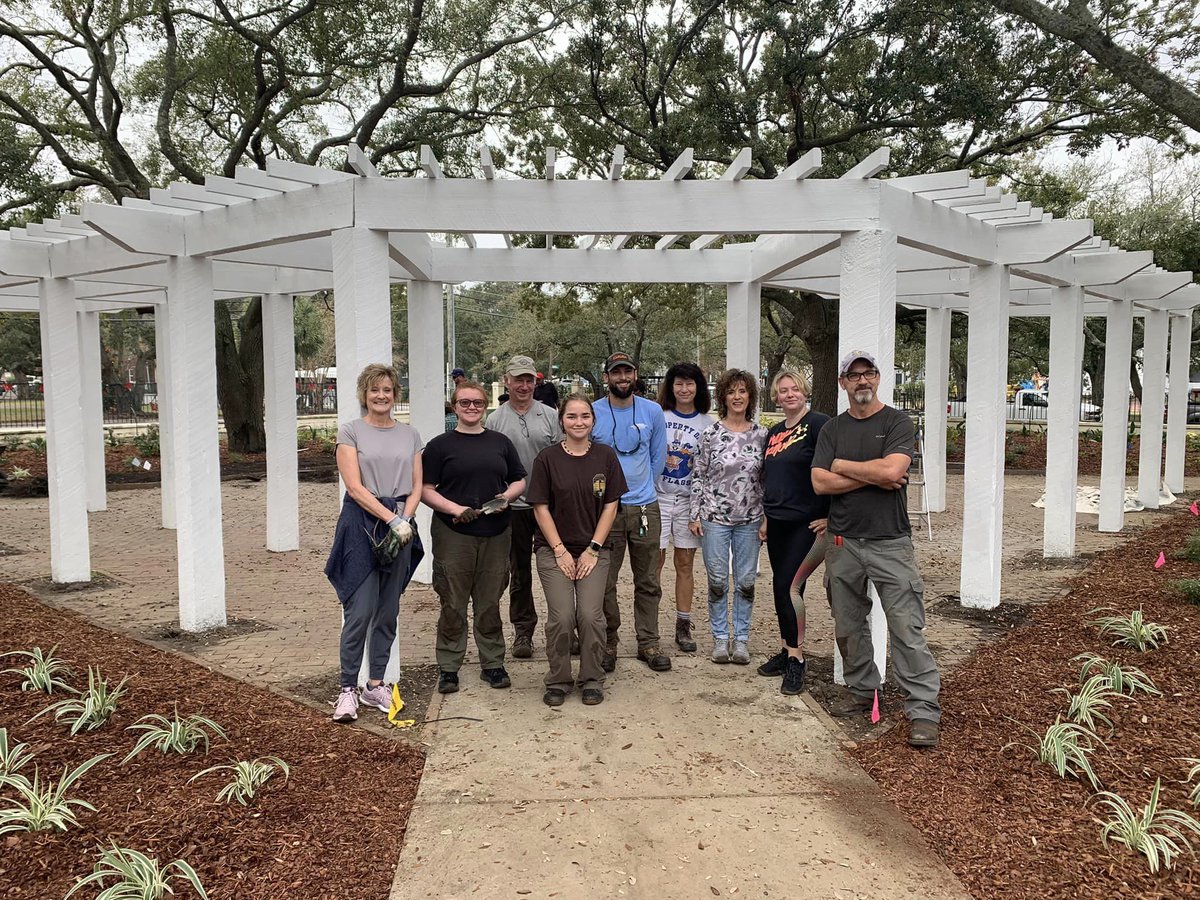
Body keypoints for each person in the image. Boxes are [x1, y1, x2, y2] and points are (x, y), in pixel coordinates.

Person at [812, 350, 941, 748]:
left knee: (906, 627)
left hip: (891, 543)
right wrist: (872, 475)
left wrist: (843, 467)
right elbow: (819, 482)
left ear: (879, 378)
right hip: (843, 542)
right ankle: (862, 692)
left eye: (869, 374)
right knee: (848, 624)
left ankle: (922, 709)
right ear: (843, 383)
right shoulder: (833, 429)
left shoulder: (898, 422)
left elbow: (893, 471)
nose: (862, 381)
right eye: (854, 376)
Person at [325, 363, 424, 724]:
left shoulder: (410, 434)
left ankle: (375, 684)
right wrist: (392, 519)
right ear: (363, 395)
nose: (381, 396)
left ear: (396, 394)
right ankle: (347, 689)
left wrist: (407, 518)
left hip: (401, 524)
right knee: (360, 611)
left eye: (387, 390)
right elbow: (354, 486)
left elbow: (416, 485)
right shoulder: (350, 432)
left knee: (387, 610)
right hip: (363, 524)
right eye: (374, 391)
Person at [421, 380, 527, 695]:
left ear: (485, 406)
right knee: (452, 602)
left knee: (489, 602)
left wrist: (506, 497)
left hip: (495, 532)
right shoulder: (440, 445)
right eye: (464, 403)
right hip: (454, 532)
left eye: (477, 403)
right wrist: (455, 508)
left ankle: (493, 663)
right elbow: (426, 489)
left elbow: (519, 479)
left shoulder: (500, 442)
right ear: (454, 407)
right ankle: (449, 666)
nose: (471, 408)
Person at [527, 394, 627, 706]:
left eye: (585, 416)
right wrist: (559, 551)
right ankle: (558, 679)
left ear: (593, 421)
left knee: (590, 616)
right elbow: (540, 508)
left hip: (594, 550)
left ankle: (592, 678)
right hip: (553, 549)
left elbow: (611, 506)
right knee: (562, 617)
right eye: (572, 416)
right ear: (562, 421)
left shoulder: (605, 456)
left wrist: (593, 549)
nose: (579, 422)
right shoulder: (547, 459)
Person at [592, 352, 670, 673]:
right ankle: (609, 640)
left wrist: (640, 490)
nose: (622, 378)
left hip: (644, 507)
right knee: (604, 580)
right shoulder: (594, 412)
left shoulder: (652, 412)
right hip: (606, 509)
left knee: (648, 578)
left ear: (635, 375)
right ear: (607, 377)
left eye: (627, 372)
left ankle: (648, 641)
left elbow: (657, 458)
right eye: (616, 373)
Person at [757, 369, 829, 695]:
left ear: (804, 392)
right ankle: (788, 650)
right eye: (783, 390)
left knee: (790, 587)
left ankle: (797, 660)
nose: (789, 394)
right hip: (779, 522)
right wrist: (767, 518)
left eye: (795, 389)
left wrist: (831, 516)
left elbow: (835, 470)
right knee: (779, 587)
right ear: (776, 396)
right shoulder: (773, 433)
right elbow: (772, 480)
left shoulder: (818, 425)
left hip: (809, 524)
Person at [487, 355, 564, 658]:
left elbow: (562, 458)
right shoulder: (495, 419)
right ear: (506, 381)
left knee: (559, 568)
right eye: (518, 379)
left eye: (529, 379)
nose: (524, 385)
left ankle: (564, 629)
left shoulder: (549, 415)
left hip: (548, 506)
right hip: (513, 509)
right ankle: (523, 632)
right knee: (519, 573)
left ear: (536, 382)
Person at [689, 369, 767, 666]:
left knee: (746, 581)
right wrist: (694, 513)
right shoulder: (710, 434)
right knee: (718, 580)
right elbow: (698, 475)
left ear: (751, 397)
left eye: (742, 391)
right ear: (723, 397)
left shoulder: (761, 435)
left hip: (750, 517)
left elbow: (766, 479)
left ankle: (742, 639)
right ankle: (721, 638)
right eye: (731, 392)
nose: (737, 397)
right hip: (714, 517)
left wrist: (766, 517)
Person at [655, 362, 714, 653]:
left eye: (690, 384)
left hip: (690, 502)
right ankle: (648, 624)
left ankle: (683, 624)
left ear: (698, 387)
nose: (684, 389)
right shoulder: (659, 416)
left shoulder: (707, 424)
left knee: (685, 564)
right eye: (679, 383)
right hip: (658, 498)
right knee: (654, 563)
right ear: (671, 386)